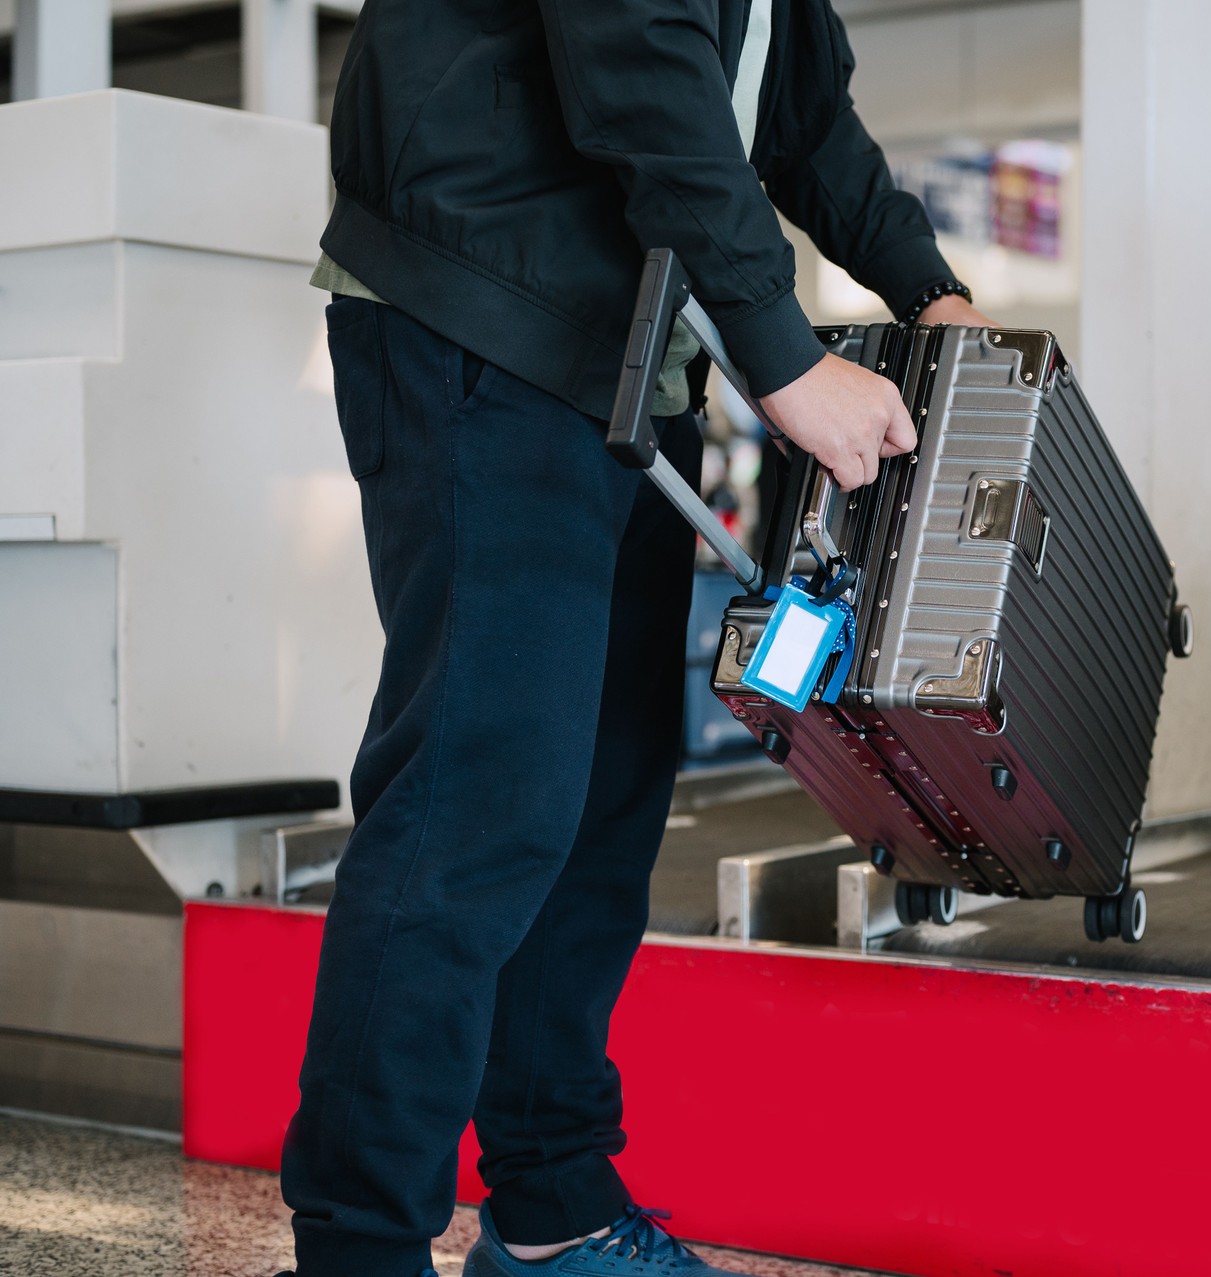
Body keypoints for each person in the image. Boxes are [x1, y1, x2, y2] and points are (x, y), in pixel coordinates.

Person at [277, 2, 991, 1275]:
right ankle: (357, 1249)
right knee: (476, 807)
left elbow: (801, 115)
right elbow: (636, 56)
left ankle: (551, 1210)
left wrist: (931, 291)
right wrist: (781, 353)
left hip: (623, 356)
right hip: (483, 315)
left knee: (600, 803)